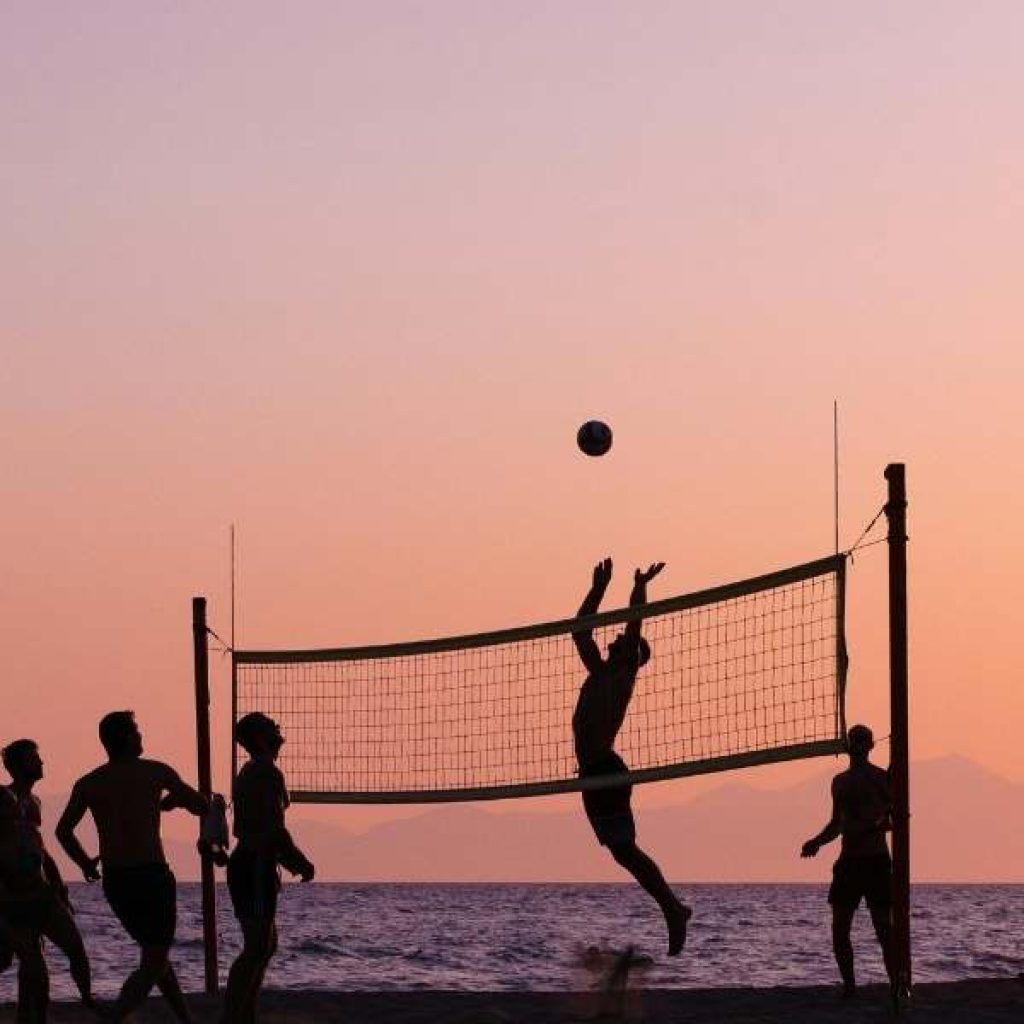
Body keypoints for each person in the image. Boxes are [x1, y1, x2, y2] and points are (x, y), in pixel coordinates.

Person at [56, 711, 208, 1023]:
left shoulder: (90, 782)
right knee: (154, 959)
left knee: (155, 955)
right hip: (151, 875)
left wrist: (84, 862)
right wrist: (177, 800)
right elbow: (201, 806)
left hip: (116, 880)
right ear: (127, 738)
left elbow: (63, 831)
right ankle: (116, 1014)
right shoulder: (155, 772)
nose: (141, 737)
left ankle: (186, 1018)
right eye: (137, 732)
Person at [572, 558, 691, 956]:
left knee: (627, 851)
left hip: (606, 771)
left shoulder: (621, 675)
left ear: (631, 656)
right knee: (623, 852)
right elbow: (580, 630)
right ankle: (672, 908)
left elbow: (637, 622)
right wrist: (598, 589)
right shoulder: (601, 672)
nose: (612, 642)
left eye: (620, 642)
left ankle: (673, 909)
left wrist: (639, 586)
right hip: (592, 774)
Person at [222, 712, 314, 1024]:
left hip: (253, 863)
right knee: (256, 947)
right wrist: (299, 862)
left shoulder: (253, 770)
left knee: (265, 945)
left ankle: (244, 1016)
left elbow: (262, 827)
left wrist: (288, 861)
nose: (279, 729)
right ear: (261, 738)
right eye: (272, 726)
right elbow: (274, 829)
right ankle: (232, 1017)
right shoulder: (265, 773)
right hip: (254, 865)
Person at [0, 739, 96, 1022]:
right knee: (35, 971)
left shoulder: (35, 802)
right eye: (34, 758)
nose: (41, 763)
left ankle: (88, 1000)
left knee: (76, 949)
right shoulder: (2, 798)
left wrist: (59, 884)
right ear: (16, 766)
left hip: (41, 893)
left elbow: (39, 847)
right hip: (12, 897)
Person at [801, 723, 897, 998]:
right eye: (853, 739)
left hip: (875, 860)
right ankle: (850, 987)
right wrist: (816, 842)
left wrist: (878, 824)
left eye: (859, 740)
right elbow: (837, 824)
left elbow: (894, 818)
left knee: (883, 930)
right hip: (850, 862)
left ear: (868, 745)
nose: (855, 745)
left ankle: (894, 986)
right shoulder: (840, 782)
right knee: (840, 929)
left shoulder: (882, 779)